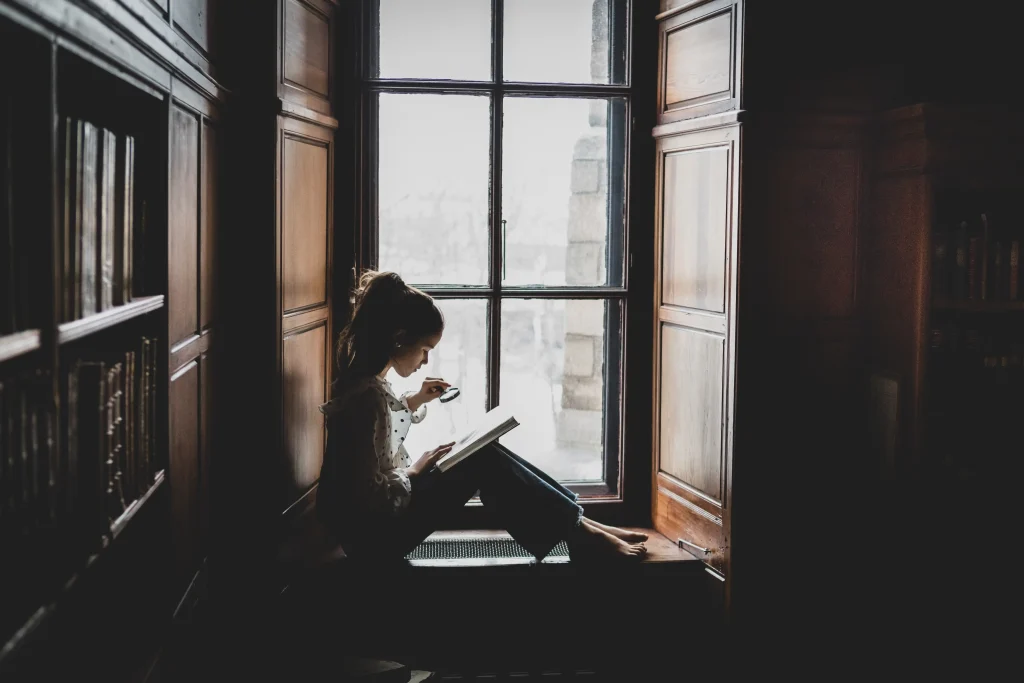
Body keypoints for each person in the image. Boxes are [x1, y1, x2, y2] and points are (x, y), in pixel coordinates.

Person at [317, 270, 647, 563]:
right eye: (425, 350)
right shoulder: (366, 399)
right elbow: (369, 498)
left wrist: (415, 400)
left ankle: (581, 523)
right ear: (399, 339)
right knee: (484, 461)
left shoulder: (367, 388)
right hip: (375, 541)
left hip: (374, 532)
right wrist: (415, 472)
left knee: (485, 452)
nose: (425, 361)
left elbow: (375, 444)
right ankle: (580, 531)